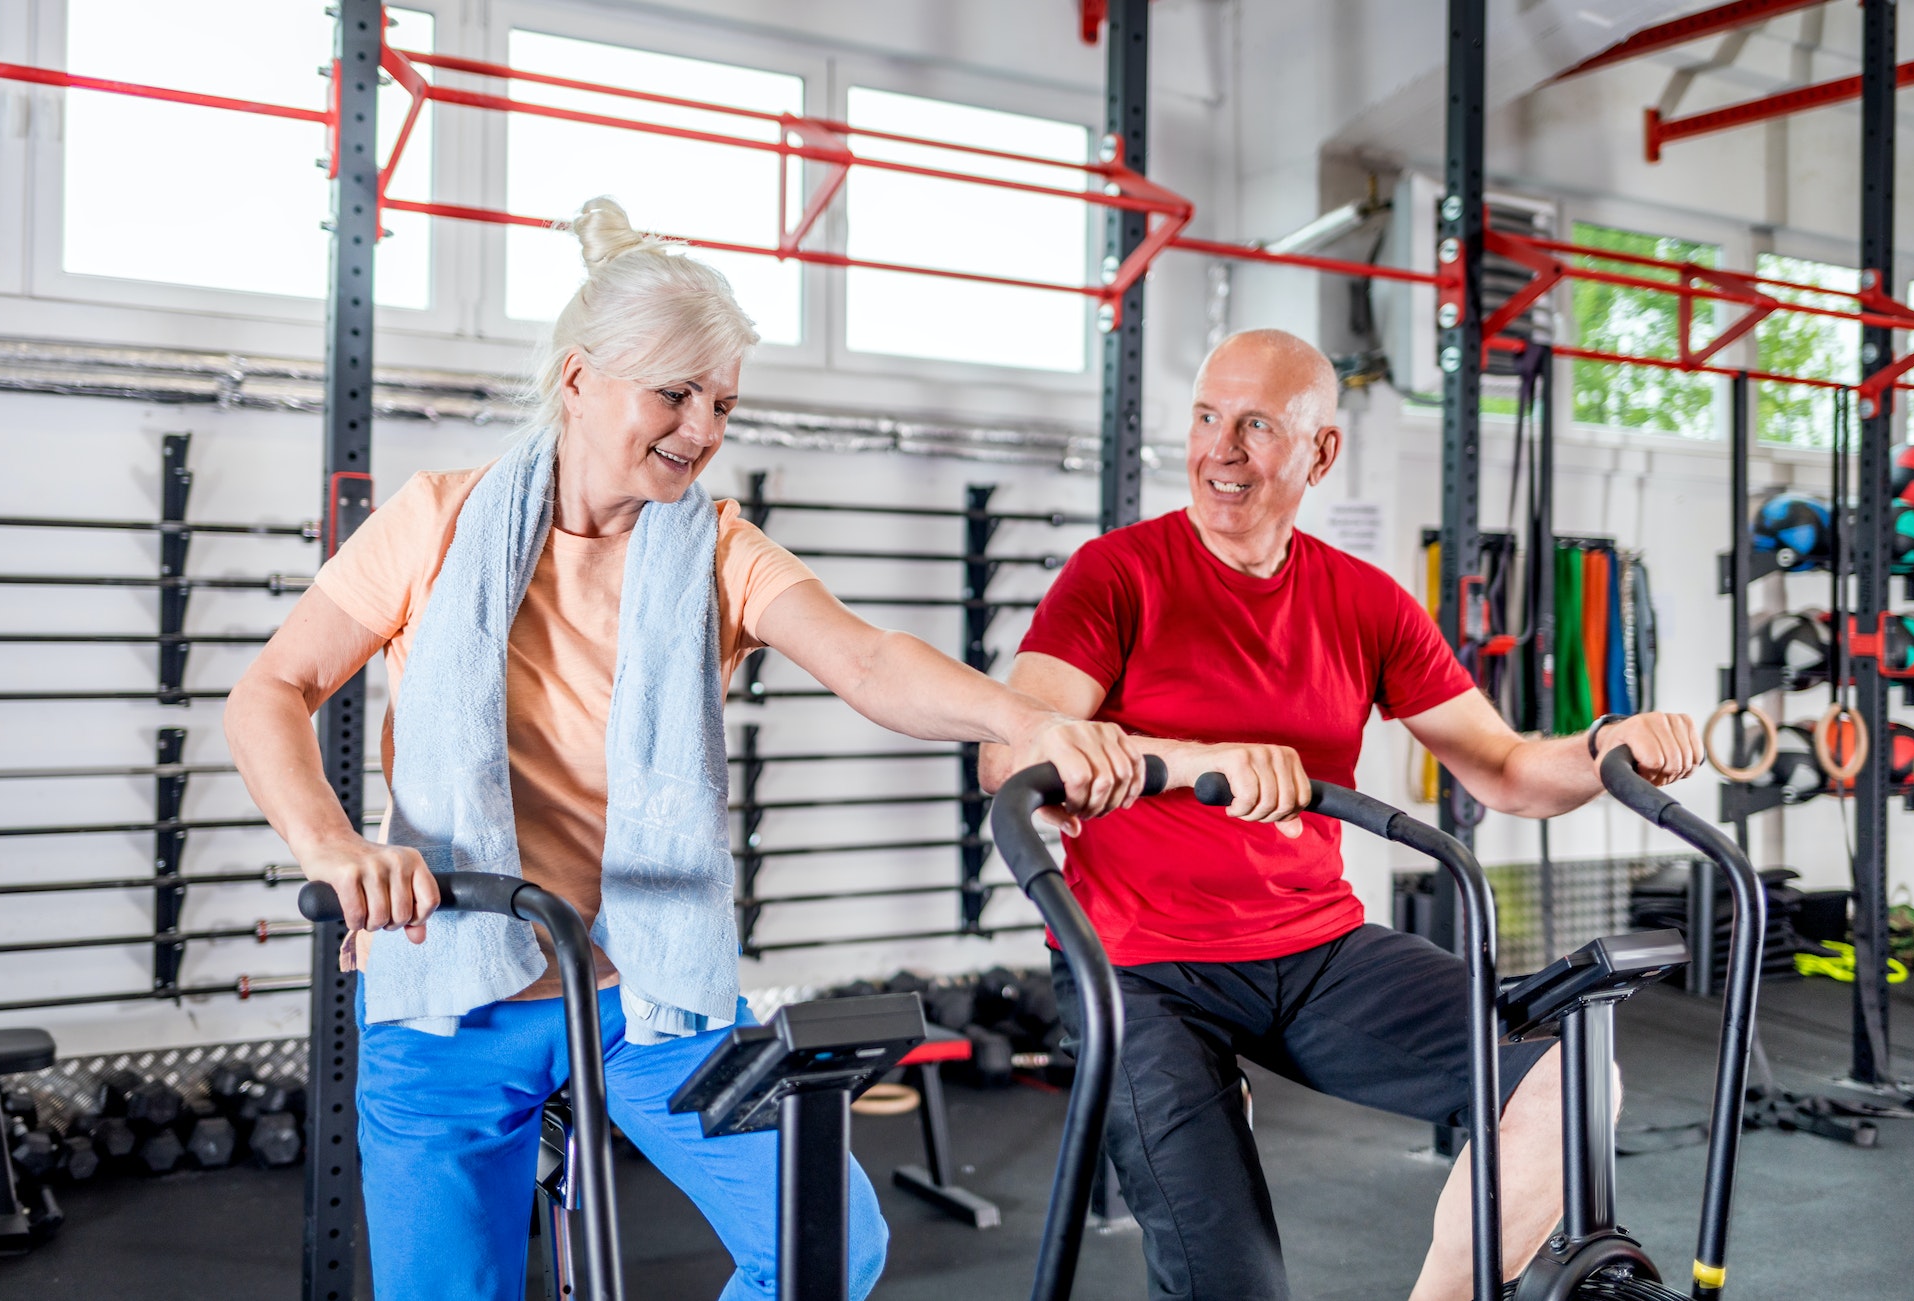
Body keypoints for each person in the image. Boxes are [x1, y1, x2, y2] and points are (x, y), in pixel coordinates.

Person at [225, 197, 1147, 1301]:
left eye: (721, 402)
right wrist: (333, 848)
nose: (702, 429)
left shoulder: (713, 546)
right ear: (579, 379)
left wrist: (1024, 721)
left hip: (643, 994)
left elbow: (867, 660)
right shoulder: (436, 520)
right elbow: (271, 688)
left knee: (828, 1242)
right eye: (674, 393)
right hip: (450, 993)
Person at [980, 328, 1704, 1301]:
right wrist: (1171, 763)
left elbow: (1502, 768)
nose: (1218, 449)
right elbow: (1009, 746)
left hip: (1312, 948)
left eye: (1255, 425)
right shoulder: (1116, 574)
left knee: (1570, 1080)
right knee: (1232, 1284)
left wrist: (1602, 743)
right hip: (1139, 964)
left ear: (1319, 451)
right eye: (1203, 417)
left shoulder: (1363, 600)